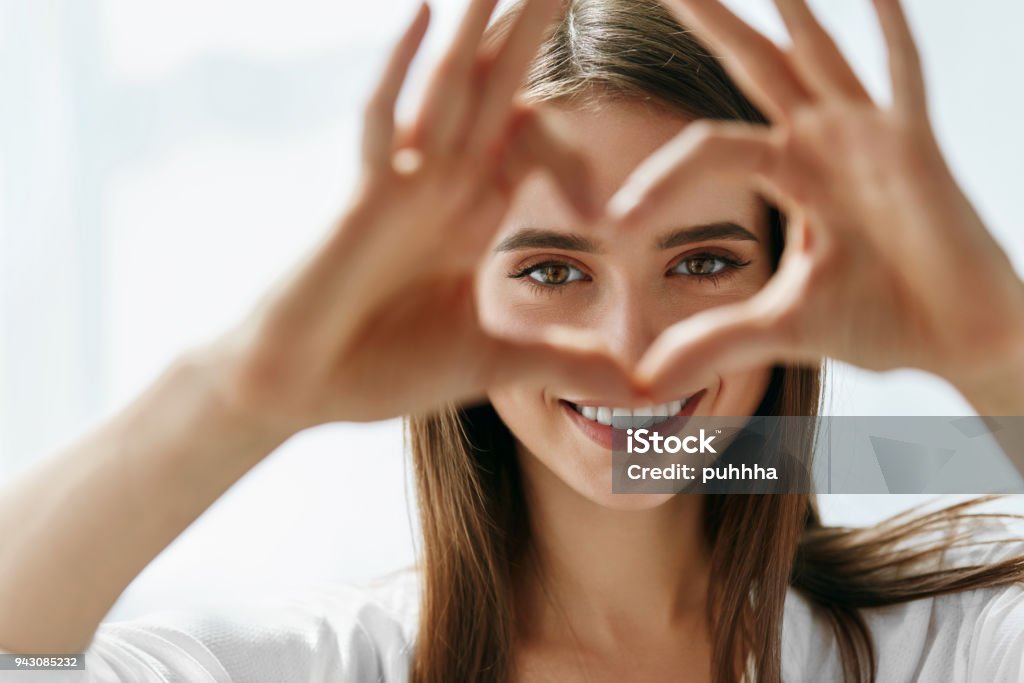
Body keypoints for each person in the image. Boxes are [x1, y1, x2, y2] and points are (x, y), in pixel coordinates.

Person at [2, 0, 1024, 681]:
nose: (630, 343)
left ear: (787, 274)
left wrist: (997, 351)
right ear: (459, 298)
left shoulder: (947, 643)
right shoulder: (323, 660)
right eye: (552, 270)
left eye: (703, 261)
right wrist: (241, 394)